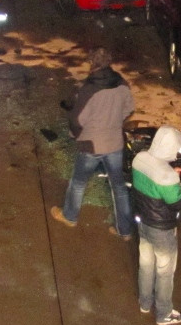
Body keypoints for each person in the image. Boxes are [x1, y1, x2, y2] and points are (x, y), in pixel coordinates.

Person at [50, 47, 135, 239]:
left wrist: (75, 134)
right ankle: (125, 230)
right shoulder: (121, 83)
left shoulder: (88, 89)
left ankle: (70, 216)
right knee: (119, 187)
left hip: (91, 144)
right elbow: (129, 109)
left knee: (78, 182)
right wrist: (114, 122)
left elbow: (78, 119)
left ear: (92, 63)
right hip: (115, 143)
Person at [131, 125, 181, 325]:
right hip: (162, 230)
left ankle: (145, 303)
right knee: (165, 272)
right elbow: (177, 202)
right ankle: (164, 313)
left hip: (143, 223)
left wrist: (170, 172)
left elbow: (153, 178)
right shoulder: (168, 176)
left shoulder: (139, 158)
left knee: (146, 265)